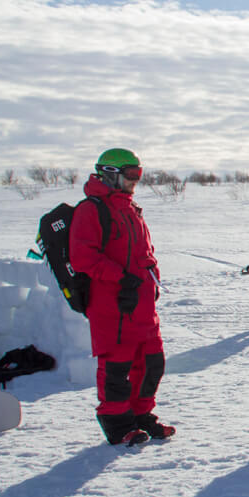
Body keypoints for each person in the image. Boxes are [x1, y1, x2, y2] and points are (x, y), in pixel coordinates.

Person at [69, 148, 173, 445]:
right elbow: (83, 257)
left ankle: (141, 414)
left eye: (138, 174)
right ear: (110, 173)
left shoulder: (131, 209)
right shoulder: (91, 209)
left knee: (152, 363)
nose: (135, 180)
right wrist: (121, 278)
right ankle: (116, 422)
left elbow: (145, 253)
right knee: (117, 366)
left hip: (141, 304)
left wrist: (152, 277)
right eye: (131, 174)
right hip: (112, 305)